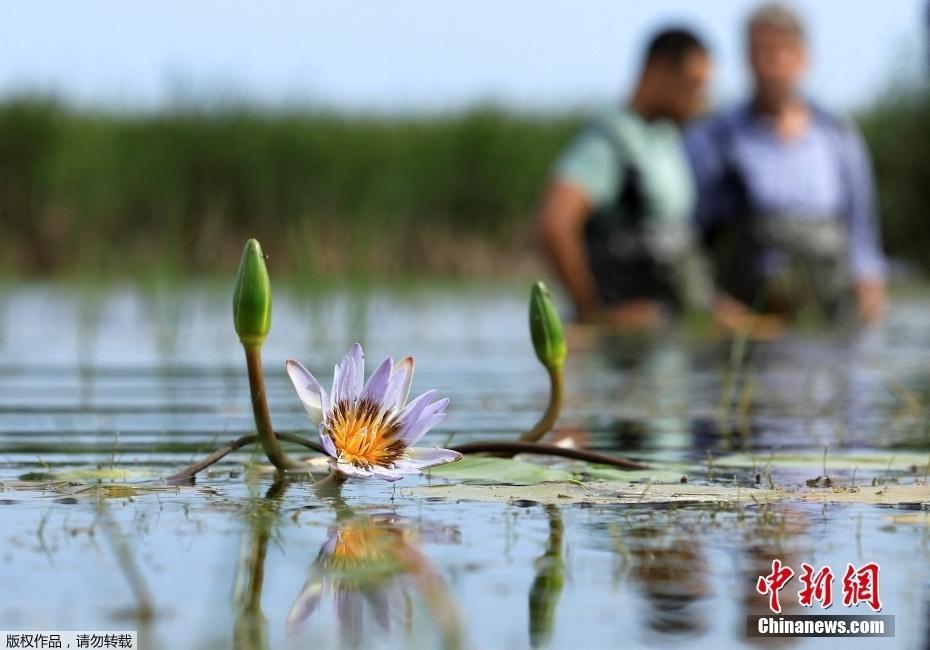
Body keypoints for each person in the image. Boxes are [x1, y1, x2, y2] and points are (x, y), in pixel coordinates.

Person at [686, 3, 886, 333]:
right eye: (759, 52)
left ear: (803, 57)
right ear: (746, 58)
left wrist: (870, 290)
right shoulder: (716, 139)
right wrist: (709, 301)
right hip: (751, 325)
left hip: (828, 320)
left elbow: (862, 235)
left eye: (779, 52)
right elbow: (690, 235)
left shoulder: (838, 135)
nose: (769, 66)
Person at [536, 28, 711, 328]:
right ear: (657, 71)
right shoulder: (610, 140)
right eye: (692, 86)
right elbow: (555, 224)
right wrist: (592, 313)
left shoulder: (665, 138)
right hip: (624, 352)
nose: (700, 102)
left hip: (668, 329)